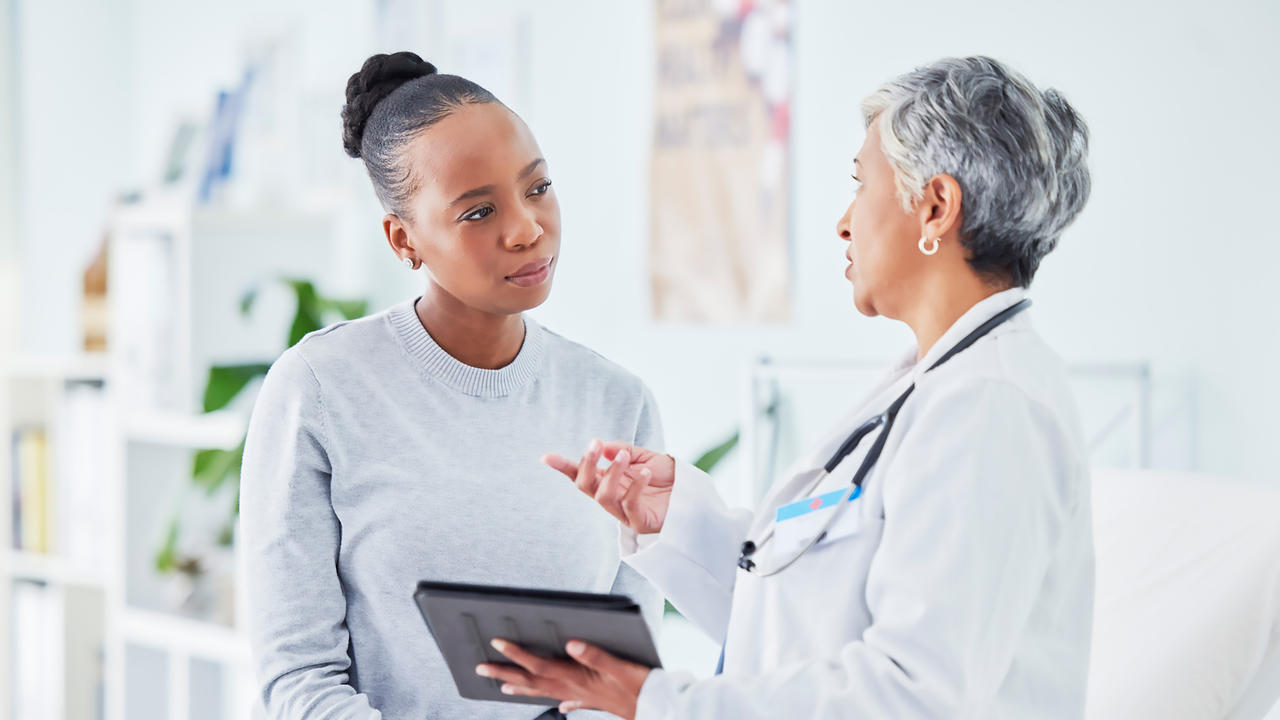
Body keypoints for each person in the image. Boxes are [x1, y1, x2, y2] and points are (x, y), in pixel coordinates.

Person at [477, 56, 1095, 720]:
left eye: (861, 184)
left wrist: (656, 701)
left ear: (936, 207)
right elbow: (803, 622)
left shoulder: (989, 408)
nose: (845, 222)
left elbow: (915, 695)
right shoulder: (935, 388)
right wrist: (681, 522)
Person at [240, 51, 662, 720]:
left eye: (538, 187)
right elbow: (299, 677)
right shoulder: (319, 389)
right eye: (477, 213)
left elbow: (624, 679)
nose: (526, 229)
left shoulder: (616, 401)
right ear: (403, 240)